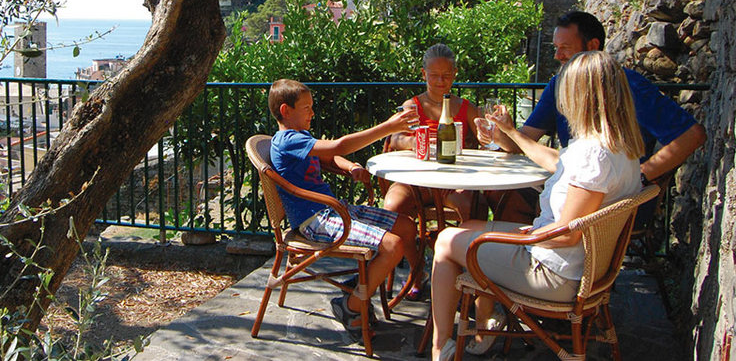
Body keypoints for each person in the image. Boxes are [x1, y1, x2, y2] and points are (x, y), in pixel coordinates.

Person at [430, 51, 645, 361]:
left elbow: (567, 234)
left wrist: (528, 236)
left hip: (554, 274)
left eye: (565, 89)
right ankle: (484, 321)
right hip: (579, 264)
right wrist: (511, 133)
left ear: (581, 95)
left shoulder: (593, 155)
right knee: (466, 228)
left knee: (445, 240)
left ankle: (440, 348)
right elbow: (558, 162)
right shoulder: (618, 148)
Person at [486, 10, 706, 221]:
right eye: (556, 48)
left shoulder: (626, 86)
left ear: (592, 46)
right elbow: (525, 144)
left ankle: (511, 242)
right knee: (498, 192)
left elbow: (693, 135)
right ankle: (516, 241)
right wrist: (500, 134)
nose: (557, 55)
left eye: (565, 48)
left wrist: (641, 175)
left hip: (610, 204)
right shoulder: (558, 85)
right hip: (576, 188)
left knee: (507, 201)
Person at [268, 78, 422, 339]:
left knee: (406, 226)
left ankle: (358, 285)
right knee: (392, 245)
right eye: (306, 108)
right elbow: (339, 146)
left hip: (335, 210)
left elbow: (329, 156)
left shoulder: (301, 137)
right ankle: (351, 306)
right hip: (315, 220)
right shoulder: (286, 140)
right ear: (286, 110)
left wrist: (351, 167)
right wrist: (388, 127)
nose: (312, 113)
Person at [383, 44, 483, 229]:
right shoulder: (412, 106)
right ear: (424, 74)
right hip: (415, 180)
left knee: (474, 206)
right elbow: (394, 139)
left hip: (454, 183)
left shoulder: (466, 108)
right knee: (392, 206)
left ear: (454, 74)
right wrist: (413, 142)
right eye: (434, 75)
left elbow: (486, 139)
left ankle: (458, 246)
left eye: (446, 75)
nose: (440, 81)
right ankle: (407, 247)